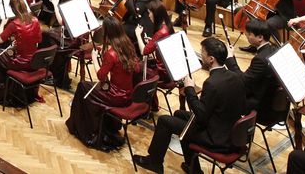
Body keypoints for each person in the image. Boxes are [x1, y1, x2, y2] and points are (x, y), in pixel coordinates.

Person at [134, 37, 246, 174]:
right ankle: (193, 167)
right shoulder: (235, 76)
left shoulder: (212, 83)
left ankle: (154, 162)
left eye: (202, 52)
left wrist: (190, 89)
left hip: (216, 138)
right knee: (178, 114)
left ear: (211, 59)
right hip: (228, 128)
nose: (200, 54)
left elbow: (201, 116)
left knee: (164, 121)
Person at [67, 17, 138, 150]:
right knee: (85, 87)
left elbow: (100, 77)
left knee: (82, 87)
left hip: (115, 96)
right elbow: (136, 67)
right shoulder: (128, 44)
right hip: (128, 95)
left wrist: (95, 59)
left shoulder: (111, 54)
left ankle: (83, 128)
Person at [0, 0, 41, 105]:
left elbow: (0, 39)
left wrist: (2, 23)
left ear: (12, 9)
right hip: (34, 61)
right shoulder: (35, 20)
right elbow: (37, 41)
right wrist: (18, 44)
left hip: (21, 63)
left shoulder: (14, 24)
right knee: (3, 54)